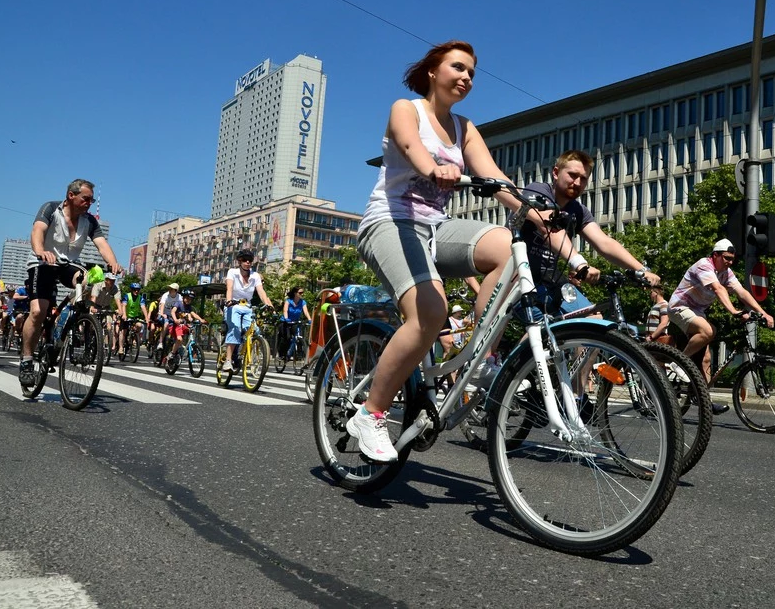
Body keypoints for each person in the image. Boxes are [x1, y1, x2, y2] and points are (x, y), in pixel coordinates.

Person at [348, 40, 526, 462]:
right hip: (390, 222)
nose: (466, 77)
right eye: (458, 68)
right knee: (431, 310)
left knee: (510, 249)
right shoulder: (406, 109)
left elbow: (495, 177)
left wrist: (538, 213)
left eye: (472, 73)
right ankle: (370, 414)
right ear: (433, 71)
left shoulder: (465, 127)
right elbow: (411, 147)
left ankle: (481, 358)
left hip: (436, 228)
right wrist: (434, 168)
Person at [520, 150, 660, 314]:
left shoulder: (578, 211)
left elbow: (604, 243)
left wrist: (642, 271)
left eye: (584, 178)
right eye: (572, 175)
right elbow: (547, 225)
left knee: (592, 318)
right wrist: (580, 264)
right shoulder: (538, 191)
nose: (577, 182)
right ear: (556, 173)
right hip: (517, 272)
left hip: (548, 276)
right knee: (541, 325)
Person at [19, 179, 122, 387]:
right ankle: (27, 361)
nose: (89, 203)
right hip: (43, 262)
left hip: (68, 264)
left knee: (88, 278)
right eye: (86, 199)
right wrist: (40, 251)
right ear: (71, 196)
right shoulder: (50, 208)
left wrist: (113, 262)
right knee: (38, 312)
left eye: (92, 200)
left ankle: (74, 323)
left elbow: (102, 244)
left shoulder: (89, 221)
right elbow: (37, 231)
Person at [668, 238, 774, 413]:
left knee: (706, 359)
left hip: (698, 312)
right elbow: (718, 289)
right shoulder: (704, 265)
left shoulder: (727, 272)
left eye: (732, 259)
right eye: (726, 258)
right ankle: (678, 362)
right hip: (680, 307)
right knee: (709, 330)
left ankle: (703, 399)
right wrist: (733, 311)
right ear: (715, 255)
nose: (730, 262)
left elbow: (741, 292)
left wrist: (763, 312)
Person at [222, 249, 274, 371]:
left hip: (247, 307)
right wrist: (229, 300)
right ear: (239, 261)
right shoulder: (232, 272)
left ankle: (242, 352)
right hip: (233, 305)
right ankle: (228, 361)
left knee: (254, 331)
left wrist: (269, 305)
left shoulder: (255, 276)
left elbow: (261, 292)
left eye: (250, 260)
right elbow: (229, 288)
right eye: (245, 260)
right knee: (235, 329)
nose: (247, 262)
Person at [164, 289, 206, 365]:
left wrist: (200, 319)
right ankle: (172, 353)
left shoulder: (189, 307)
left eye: (190, 299)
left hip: (182, 325)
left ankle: (184, 347)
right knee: (179, 339)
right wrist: (176, 320)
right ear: (183, 297)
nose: (188, 300)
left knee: (191, 330)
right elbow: (173, 312)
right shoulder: (178, 303)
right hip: (175, 325)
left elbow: (193, 314)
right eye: (187, 298)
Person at [90, 273, 122, 353]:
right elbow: (94, 297)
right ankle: (90, 339)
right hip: (96, 306)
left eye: (113, 280)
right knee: (92, 325)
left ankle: (106, 345)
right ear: (106, 280)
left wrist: (120, 310)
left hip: (107, 308)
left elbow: (118, 300)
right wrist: (92, 307)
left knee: (109, 326)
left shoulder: (115, 288)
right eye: (110, 280)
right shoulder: (98, 285)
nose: (112, 282)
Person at [278, 286, 312, 358]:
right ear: (295, 293)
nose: (302, 294)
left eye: (302, 293)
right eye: (300, 293)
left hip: (295, 322)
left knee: (296, 335)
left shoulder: (302, 302)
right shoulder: (288, 301)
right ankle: (281, 353)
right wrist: (286, 318)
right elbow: (285, 310)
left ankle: (297, 352)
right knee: (286, 338)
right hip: (285, 322)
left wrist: (309, 319)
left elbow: (306, 312)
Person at [118, 282, 149, 355]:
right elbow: (124, 305)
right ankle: (121, 347)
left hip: (135, 317)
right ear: (131, 290)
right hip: (126, 316)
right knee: (123, 332)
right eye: (134, 290)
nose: (136, 291)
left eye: (138, 290)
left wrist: (147, 318)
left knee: (139, 325)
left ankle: (134, 338)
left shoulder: (140, 298)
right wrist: (124, 315)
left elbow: (143, 307)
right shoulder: (127, 296)